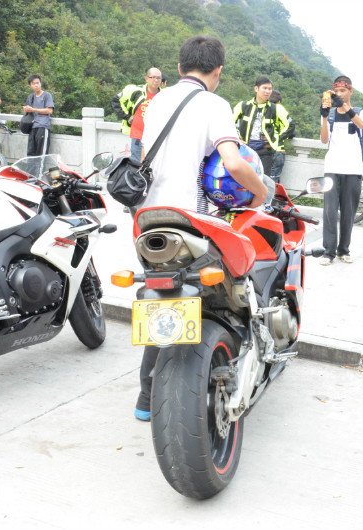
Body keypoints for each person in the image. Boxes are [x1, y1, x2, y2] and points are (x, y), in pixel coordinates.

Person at [134, 35, 268, 422]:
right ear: (218, 72)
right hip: (192, 219)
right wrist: (261, 193)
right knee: (214, 299)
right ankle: (213, 377)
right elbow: (236, 163)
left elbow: (145, 159)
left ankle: (146, 398)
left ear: (178, 68)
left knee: (163, 300)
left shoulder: (156, 100)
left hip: (149, 217)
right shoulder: (215, 104)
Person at [319, 75, 363, 265]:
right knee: (330, 211)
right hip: (332, 167)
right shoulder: (330, 114)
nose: (339, 94)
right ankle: (328, 251)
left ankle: (344, 250)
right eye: (336, 91)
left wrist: (344, 107)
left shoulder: (360, 111)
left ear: (350, 91)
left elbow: (361, 124)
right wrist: (324, 116)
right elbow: (324, 140)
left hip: (353, 168)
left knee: (349, 211)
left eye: (343, 91)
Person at [232, 76, 291, 176]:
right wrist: (237, 138)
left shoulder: (275, 108)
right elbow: (229, 122)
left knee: (262, 181)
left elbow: (290, 125)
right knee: (241, 180)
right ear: (256, 89)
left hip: (265, 152)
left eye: (270, 89)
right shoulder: (243, 105)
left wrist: (274, 140)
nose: (267, 91)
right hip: (245, 150)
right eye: (265, 88)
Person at [126, 67, 162, 163]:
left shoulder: (164, 96)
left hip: (155, 138)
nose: (156, 80)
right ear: (146, 78)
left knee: (152, 166)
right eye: (153, 77)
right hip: (138, 135)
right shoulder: (137, 92)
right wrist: (127, 116)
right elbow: (116, 101)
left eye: (159, 78)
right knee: (136, 165)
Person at [267, 89, 295, 182]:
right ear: (279, 100)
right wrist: (279, 138)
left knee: (261, 180)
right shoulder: (279, 108)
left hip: (262, 150)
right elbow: (291, 126)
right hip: (277, 150)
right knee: (273, 182)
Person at [23, 74, 54, 156]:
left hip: (42, 126)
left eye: (38, 83)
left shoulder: (47, 95)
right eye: (33, 83)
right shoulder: (30, 97)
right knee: (31, 154)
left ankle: (41, 169)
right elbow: (29, 113)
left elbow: (49, 110)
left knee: (41, 154)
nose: (36, 85)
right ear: (30, 85)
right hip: (32, 127)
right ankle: (31, 169)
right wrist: (27, 109)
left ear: (40, 83)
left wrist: (34, 109)